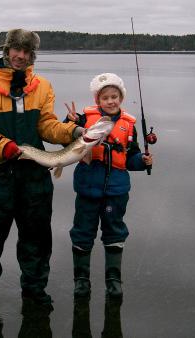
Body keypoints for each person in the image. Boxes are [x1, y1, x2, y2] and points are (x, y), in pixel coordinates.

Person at [0, 28, 84, 306]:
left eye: (27, 52)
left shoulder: (42, 86)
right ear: (6, 50)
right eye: (17, 50)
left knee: (37, 240)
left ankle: (35, 290)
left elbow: (46, 126)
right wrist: (2, 145)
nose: (21, 56)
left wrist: (72, 132)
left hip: (34, 179)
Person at [65, 73, 153, 300]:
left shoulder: (129, 125)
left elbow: (130, 158)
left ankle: (113, 280)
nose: (111, 101)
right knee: (83, 232)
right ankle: (81, 280)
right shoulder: (85, 120)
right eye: (105, 97)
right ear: (98, 100)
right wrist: (70, 122)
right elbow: (66, 140)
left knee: (114, 232)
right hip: (87, 188)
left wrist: (142, 162)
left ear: (121, 98)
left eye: (115, 96)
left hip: (116, 191)